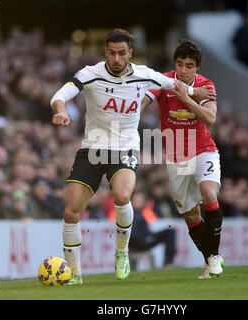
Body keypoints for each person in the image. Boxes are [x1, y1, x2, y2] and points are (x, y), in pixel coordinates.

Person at [50, 29, 211, 284]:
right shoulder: (90, 74)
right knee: (71, 213)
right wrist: (61, 111)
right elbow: (60, 94)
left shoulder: (145, 75)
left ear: (130, 54)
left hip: (125, 148)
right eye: (112, 53)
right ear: (106, 52)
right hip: (93, 149)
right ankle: (75, 274)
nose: (116, 58)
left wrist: (195, 94)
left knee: (123, 196)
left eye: (122, 53)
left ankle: (122, 252)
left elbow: (176, 85)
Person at [142, 39, 224, 279]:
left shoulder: (206, 85)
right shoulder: (164, 81)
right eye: (180, 64)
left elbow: (210, 118)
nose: (183, 70)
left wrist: (188, 99)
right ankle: (209, 259)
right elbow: (145, 100)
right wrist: (135, 109)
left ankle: (215, 256)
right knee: (190, 215)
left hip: (203, 149)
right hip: (176, 157)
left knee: (209, 193)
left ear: (196, 67)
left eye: (189, 65)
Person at [128, 190, 176, 269]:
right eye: (136, 200)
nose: (139, 202)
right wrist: (146, 236)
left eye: (140, 200)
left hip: (144, 238)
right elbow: (133, 233)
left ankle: (169, 261)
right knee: (169, 232)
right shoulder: (131, 214)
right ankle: (168, 262)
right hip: (139, 242)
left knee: (169, 231)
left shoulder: (141, 212)